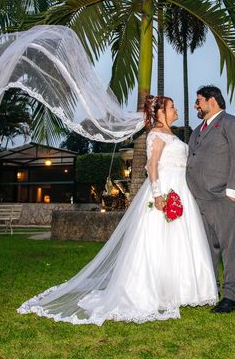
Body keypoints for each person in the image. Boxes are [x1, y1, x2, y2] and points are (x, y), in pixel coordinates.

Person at [17, 95, 217, 325]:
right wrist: (158, 195)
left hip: (182, 191)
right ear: (160, 112)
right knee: (158, 241)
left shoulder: (173, 134)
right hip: (165, 191)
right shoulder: (156, 135)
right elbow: (152, 166)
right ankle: (155, 290)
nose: (176, 110)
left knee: (182, 240)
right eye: (172, 107)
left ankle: (183, 290)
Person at [186, 85, 235, 313]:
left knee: (229, 246)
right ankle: (210, 289)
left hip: (223, 197)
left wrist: (232, 191)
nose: (196, 105)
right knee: (207, 247)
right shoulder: (196, 131)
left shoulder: (233, 124)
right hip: (199, 200)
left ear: (212, 100)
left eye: (199, 101)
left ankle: (231, 296)